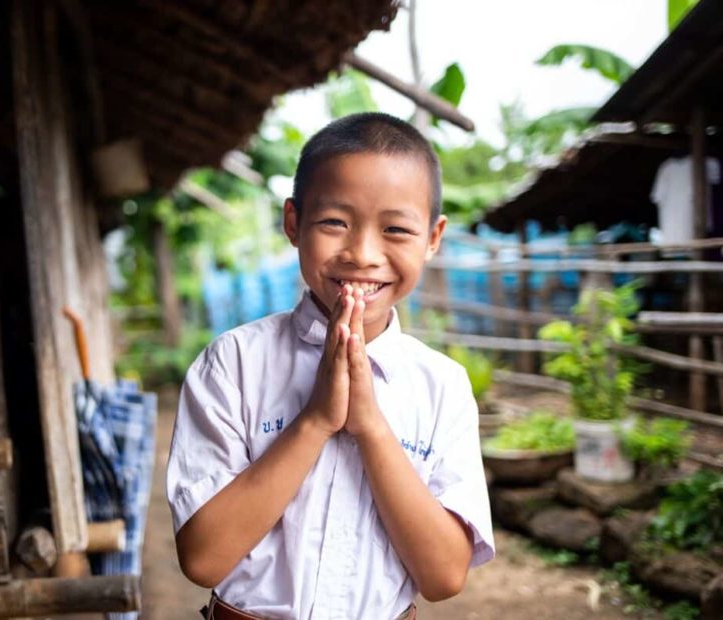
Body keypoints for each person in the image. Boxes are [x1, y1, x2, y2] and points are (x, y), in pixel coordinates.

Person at [166, 112, 495, 620]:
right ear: (293, 223)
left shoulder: (441, 387)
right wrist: (316, 420)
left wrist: (370, 427)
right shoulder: (232, 364)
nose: (362, 254)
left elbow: (445, 577)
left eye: (396, 229)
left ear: (433, 237)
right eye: (334, 222)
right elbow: (204, 559)